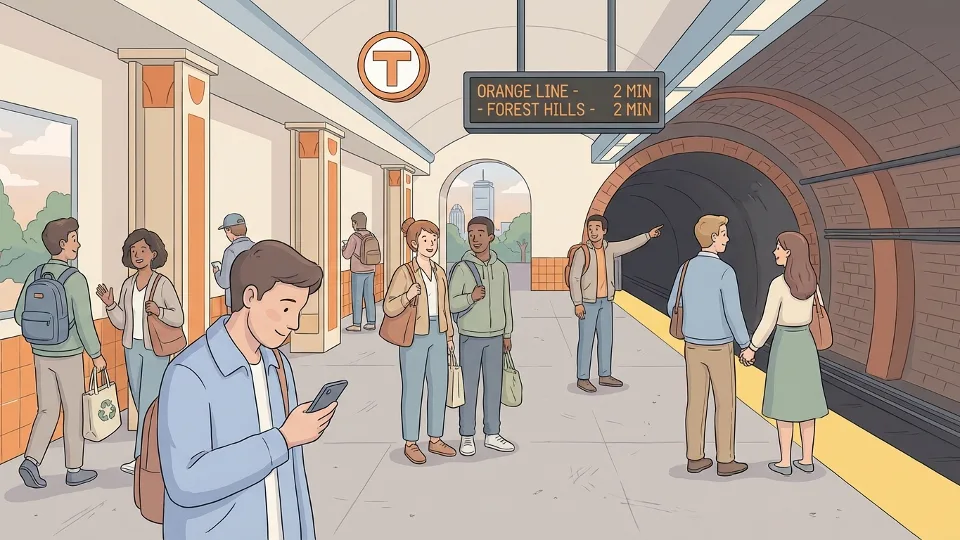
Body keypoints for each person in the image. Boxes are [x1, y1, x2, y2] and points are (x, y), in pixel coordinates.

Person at [158, 240, 334, 538]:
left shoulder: (277, 365)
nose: (294, 323)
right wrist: (283, 439)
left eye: (299, 310)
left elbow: (292, 477)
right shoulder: (190, 373)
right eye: (286, 307)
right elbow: (185, 481)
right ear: (251, 296)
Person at [15, 217, 103, 489]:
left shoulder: (36, 274)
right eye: (74, 239)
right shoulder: (74, 279)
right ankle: (74, 469)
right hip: (68, 354)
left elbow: (20, 315)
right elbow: (85, 323)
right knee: (73, 410)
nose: (78, 244)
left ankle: (31, 460)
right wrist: (96, 354)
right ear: (63, 244)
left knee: (47, 409)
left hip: (40, 353)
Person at [666, 215, 751, 477]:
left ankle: (695, 458)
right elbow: (734, 313)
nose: (726, 238)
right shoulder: (725, 271)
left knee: (696, 402)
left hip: (692, 346)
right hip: (719, 346)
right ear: (713, 238)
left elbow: (672, 306)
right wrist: (745, 344)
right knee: (724, 403)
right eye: (723, 233)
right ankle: (725, 460)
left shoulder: (686, 268)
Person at [96, 229, 184, 475]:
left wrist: (158, 311)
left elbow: (178, 317)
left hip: (155, 350)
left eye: (143, 250)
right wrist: (111, 304)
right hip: (132, 349)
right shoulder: (128, 285)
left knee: (148, 404)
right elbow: (123, 322)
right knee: (139, 401)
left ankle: (142, 457)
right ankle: (157, 453)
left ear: (154, 253)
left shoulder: (162, 283)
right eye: (133, 251)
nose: (137, 255)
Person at [741, 231, 828, 476]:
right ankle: (807, 458)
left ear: (789, 252)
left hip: (785, 345)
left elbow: (768, 322)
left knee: (784, 405)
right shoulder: (812, 282)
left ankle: (785, 461)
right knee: (806, 405)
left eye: (779, 248)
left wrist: (752, 348)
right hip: (806, 345)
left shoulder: (779, 285)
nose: (775, 252)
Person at [383, 218, 457, 465]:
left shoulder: (439, 272)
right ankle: (411, 442)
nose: (431, 244)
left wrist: (448, 335)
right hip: (414, 336)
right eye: (425, 239)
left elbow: (444, 306)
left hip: (437, 333)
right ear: (414, 243)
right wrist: (407, 295)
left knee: (439, 386)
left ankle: (435, 438)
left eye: (434, 239)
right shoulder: (405, 272)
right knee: (413, 389)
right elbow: (389, 306)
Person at [570, 215, 662, 393]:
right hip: (588, 303)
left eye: (597, 228)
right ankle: (583, 377)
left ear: (604, 231)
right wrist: (577, 302)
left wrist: (648, 235)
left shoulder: (610, 249)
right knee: (586, 340)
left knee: (606, 339)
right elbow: (574, 278)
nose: (593, 232)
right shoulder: (583, 252)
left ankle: (605, 375)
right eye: (590, 229)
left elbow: (628, 244)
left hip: (606, 301)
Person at [448, 216, 515, 456]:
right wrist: (470, 297)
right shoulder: (462, 268)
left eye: (479, 233)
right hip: (470, 336)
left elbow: (506, 302)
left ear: (490, 237)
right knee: (468, 388)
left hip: (496, 337)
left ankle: (492, 433)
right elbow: (450, 303)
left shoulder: (501, 269)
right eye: (470, 232)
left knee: (493, 387)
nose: (474, 238)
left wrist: (507, 333)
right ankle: (467, 435)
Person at [341, 211, 378, 332]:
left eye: (353, 223)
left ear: (355, 223)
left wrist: (343, 248)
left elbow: (347, 255)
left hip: (358, 271)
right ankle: (371, 322)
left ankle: (357, 324)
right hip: (371, 269)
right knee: (369, 296)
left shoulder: (354, 237)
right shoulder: (371, 235)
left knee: (357, 297)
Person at [213, 213, 254, 313]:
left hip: (235, 302)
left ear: (228, 230)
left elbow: (224, 282)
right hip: (254, 299)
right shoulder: (255, 246)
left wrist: (216, 272)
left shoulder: (230, 251)